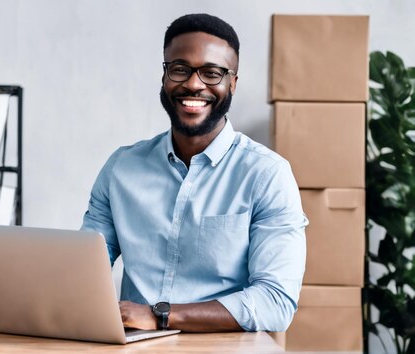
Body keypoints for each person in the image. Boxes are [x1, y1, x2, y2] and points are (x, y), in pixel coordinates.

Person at [81, 13, 307, 333]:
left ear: (233, 83)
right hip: (135, 345)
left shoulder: (267, 175)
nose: (193, 83)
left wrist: (161, 315)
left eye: (212, 73)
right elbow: (84, 273)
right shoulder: (121, 168)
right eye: (180, 69)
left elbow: (275, 302)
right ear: (164, 77)